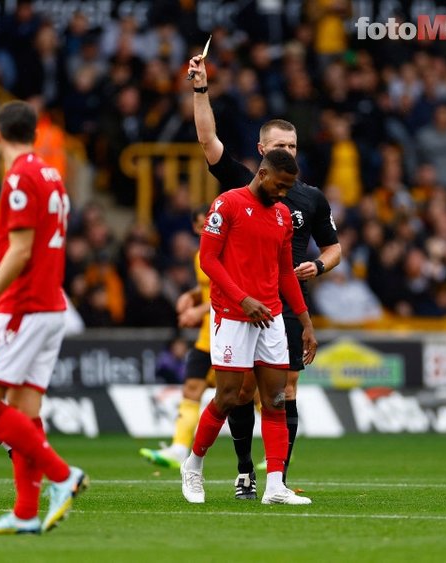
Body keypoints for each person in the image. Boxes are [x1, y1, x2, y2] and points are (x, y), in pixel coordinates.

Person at [188, 53, 341, 497]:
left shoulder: (307, 198)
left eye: (293, 147)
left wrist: (320, 265)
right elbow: (207, 139)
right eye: (280, 147)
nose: (287, 153)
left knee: (283, 389)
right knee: (237, 391)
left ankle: (278, 479)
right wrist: (201, 90)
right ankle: (241, 469)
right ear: (261, 154)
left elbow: (333, 248)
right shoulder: (237, 190)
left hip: (283, 302)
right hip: (240, 302)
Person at [0, 101, 87, 535]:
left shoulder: (20, 177)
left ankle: (62, 474)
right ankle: (26, 513)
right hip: (51, 307)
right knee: (25, 412)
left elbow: (21, 251)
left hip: (23, 307)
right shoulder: (51, 173)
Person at [179, 148, 317, 506]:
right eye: (281, 185)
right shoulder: (227, 205)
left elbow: (286, 271)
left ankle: (274, 486)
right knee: (228, 398)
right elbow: (208, 259)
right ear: (263, 173)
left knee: (274, 399)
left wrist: (304, 320)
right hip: (231, 315)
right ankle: (193, 465)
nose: (284, 193)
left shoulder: (283, 216)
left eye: (289, 187)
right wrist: (242, 299)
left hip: (269, 316)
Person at [138, 206, 217, 470]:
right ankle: (179, 448)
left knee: (247, 396)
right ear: (195, 228)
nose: (207, 228)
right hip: (207, 338)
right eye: (202, 225)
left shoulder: (227, 252)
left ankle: (275, 454)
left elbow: (230, 294)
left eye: (211, 223)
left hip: (232, 336)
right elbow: (208, 289)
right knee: (191, 389)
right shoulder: (199, 256)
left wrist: (197, 309)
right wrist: (193, 295)